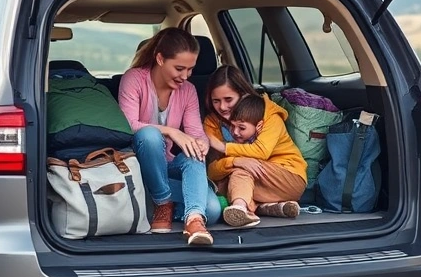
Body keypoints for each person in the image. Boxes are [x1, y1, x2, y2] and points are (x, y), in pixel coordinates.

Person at [117, 28, 221, 246]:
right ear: (160, 59)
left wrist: (200, 144)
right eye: (179, 68)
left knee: (211, 210)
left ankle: (193, 219)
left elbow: (195, 131)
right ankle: (162, 201)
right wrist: (172, 131)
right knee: (150, 135)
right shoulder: (134, 79)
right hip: (140, 168)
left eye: (191, 69)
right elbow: (128, 126)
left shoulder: (189, 90)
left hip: (167, 165)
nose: (185, 76)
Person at [204, 66, 307, 228]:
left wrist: (225, 148)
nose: (222, 107)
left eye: (228, 99)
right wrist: (236, 161)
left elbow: (261, 151)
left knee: (242, 172)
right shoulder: (211, 123)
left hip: (288, 177)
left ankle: (239, 207)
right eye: (216, 101)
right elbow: (212, 171)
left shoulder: (268, 115)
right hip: (249, 184)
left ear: (243, 95)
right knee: (227, 181)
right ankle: (266, 208)